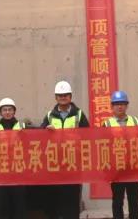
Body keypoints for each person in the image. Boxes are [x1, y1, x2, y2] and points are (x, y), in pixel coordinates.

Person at [40, 81, 89, 219]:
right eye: (60, 95)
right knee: (54, 198)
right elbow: (39, 137)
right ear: (56, 97)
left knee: (72, 199)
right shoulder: (49, 115)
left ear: (70, 96)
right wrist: (45, 130)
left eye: (65, 95)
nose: (63, 98)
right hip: (55, 164)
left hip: (73, 164)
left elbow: (88, 136)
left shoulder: (79, 114)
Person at [103, 91, 138, 219]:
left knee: (133, 201)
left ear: (127, 105)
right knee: (117, 201)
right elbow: (102, 147)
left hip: (133, 168)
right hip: (116, 169)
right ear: (112, 106)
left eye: (122, 103)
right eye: (117, 104)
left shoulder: (136, 121)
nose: (120, 106)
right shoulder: (106, 124)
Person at [0, 97, 28, 218]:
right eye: (4, 110)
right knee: (2, 202)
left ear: (14, 111)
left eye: (10, 109)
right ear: (0, 112)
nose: (7, 112)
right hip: (2, 171)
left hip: (18, 170)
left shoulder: (23, 126)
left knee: (19, 202)